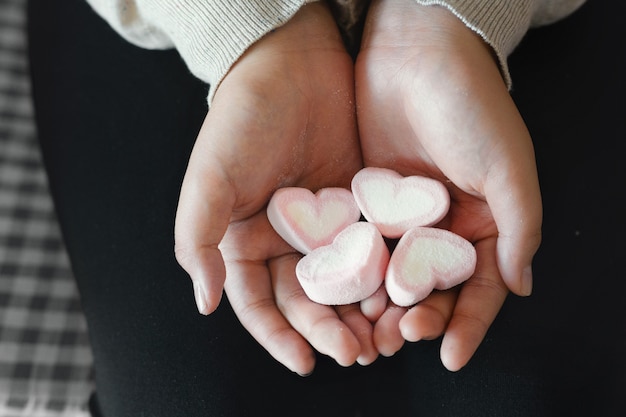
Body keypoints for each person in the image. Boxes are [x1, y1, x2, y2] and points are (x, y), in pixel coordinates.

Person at [28, 0, 625, 416]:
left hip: (511, 22)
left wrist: (442, 22)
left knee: (526, 397)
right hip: (181, 21)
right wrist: (247, 32)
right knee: (183, 401)